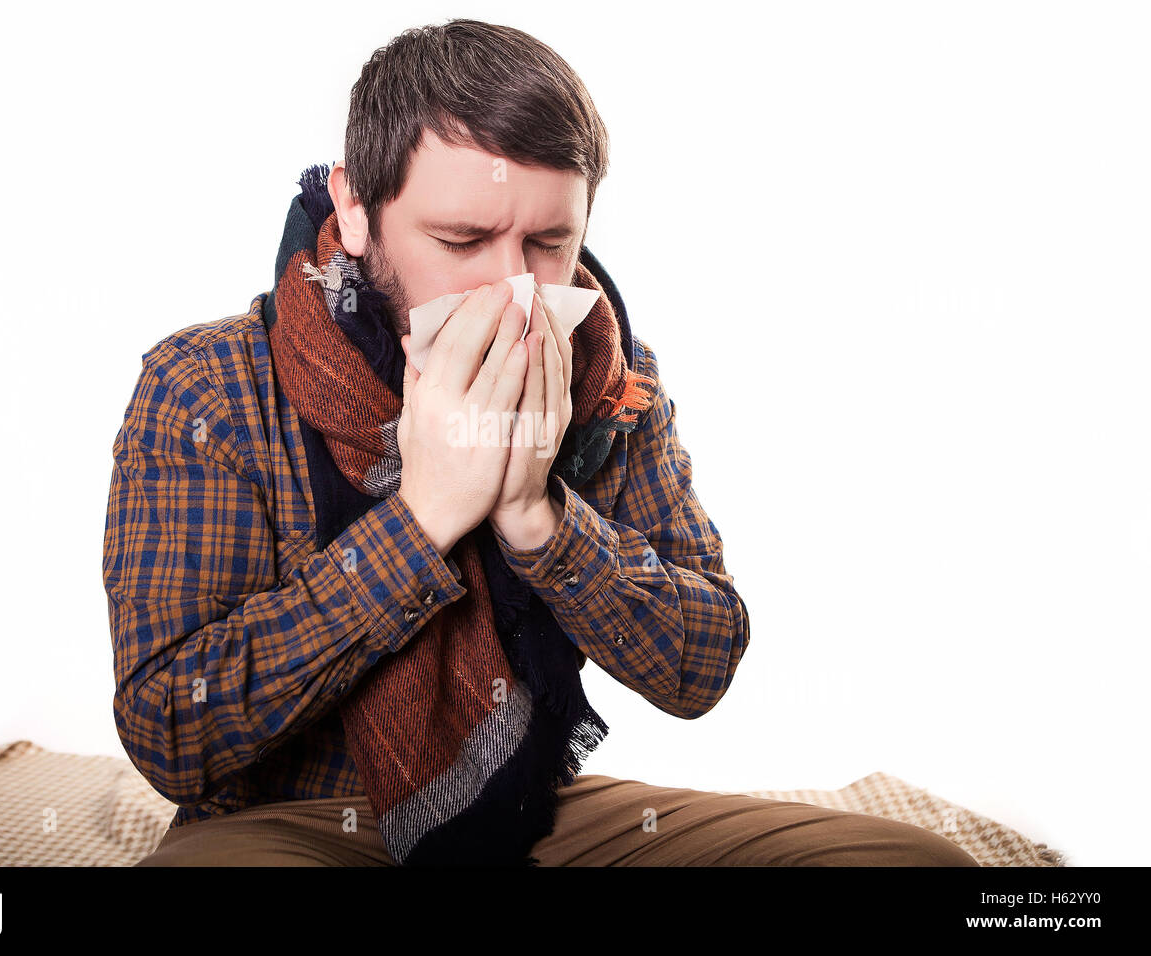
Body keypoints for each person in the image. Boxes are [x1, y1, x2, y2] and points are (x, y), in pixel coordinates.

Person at [105, 19, 977, 867]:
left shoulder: (606, 374)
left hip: (523, 808)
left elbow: (701, 662)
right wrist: (424, 518)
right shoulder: (210, 385)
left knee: (906, 862)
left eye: (549, 243)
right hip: (286, 822)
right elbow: (172, 731)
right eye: (462, 240)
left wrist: (539, 517)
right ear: (356, 208)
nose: (514, 287)